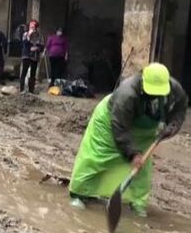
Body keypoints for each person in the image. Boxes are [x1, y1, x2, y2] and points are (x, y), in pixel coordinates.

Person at [69, 63, 188, 217]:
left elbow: (180, 109)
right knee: (97, 156)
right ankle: (79, 193)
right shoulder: (127, 93)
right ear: (143, 84)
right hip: (112, 122)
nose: (155, 96)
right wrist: (132, 153)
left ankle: (138, 203)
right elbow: (119, 126)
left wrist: (173, 125)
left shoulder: (175, 89)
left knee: (142, 168)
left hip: (144, 129)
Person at [20, 20, 43, 94]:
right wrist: (29, 36)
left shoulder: (39, 36)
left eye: (33, 27)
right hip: (26, 55)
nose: (32, 28)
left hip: (35, 56)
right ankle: (22, 89)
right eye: (30, 26)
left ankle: (31, 90)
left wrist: (37, 48)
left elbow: (42, 46)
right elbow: (25, 43)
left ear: (36, 27)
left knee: (33, 74)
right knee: (24, 72)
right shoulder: (25, 34)